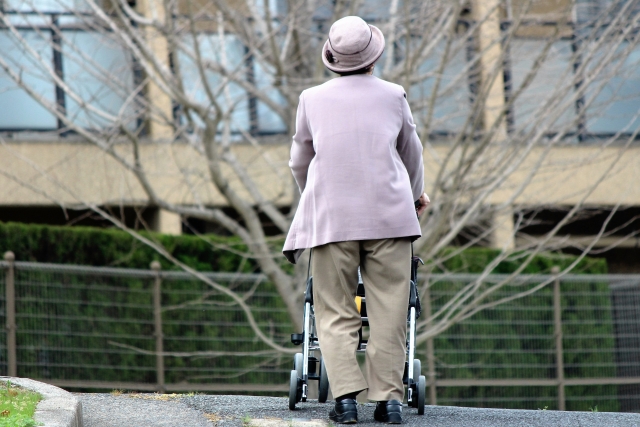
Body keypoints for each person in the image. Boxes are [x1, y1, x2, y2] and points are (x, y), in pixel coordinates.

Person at [283, 15, 430, 425]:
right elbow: (411, 153)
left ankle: (345, 400)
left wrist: (315, 194)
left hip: (332, 220)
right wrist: (416, 195)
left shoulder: (311, 99)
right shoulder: (393, 95)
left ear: (332, 58)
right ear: (373, 56)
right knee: (389, 310)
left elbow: (300, 161)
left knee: (334, 310)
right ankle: (389, 402)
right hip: (390, 219)